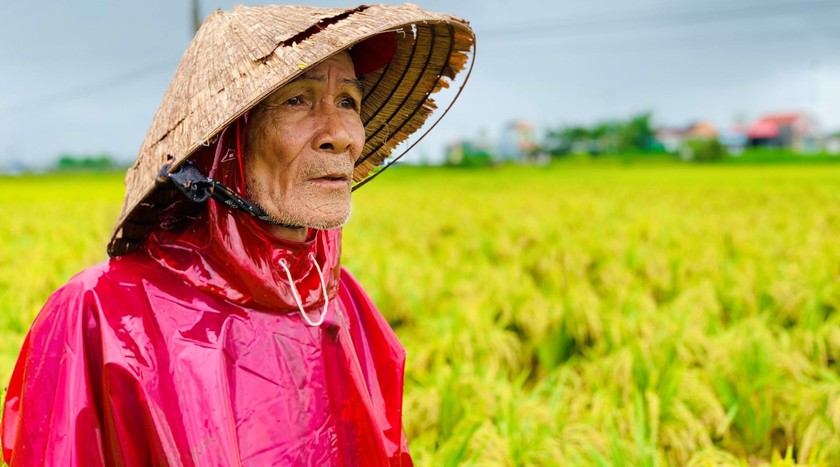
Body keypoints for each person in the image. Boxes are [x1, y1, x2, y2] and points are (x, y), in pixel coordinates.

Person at [1, 4, 473, 466]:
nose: (341, 135)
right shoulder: (99, 315)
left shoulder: (346, 308)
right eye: (297, 100)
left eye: (348, 101)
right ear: (225, 143)